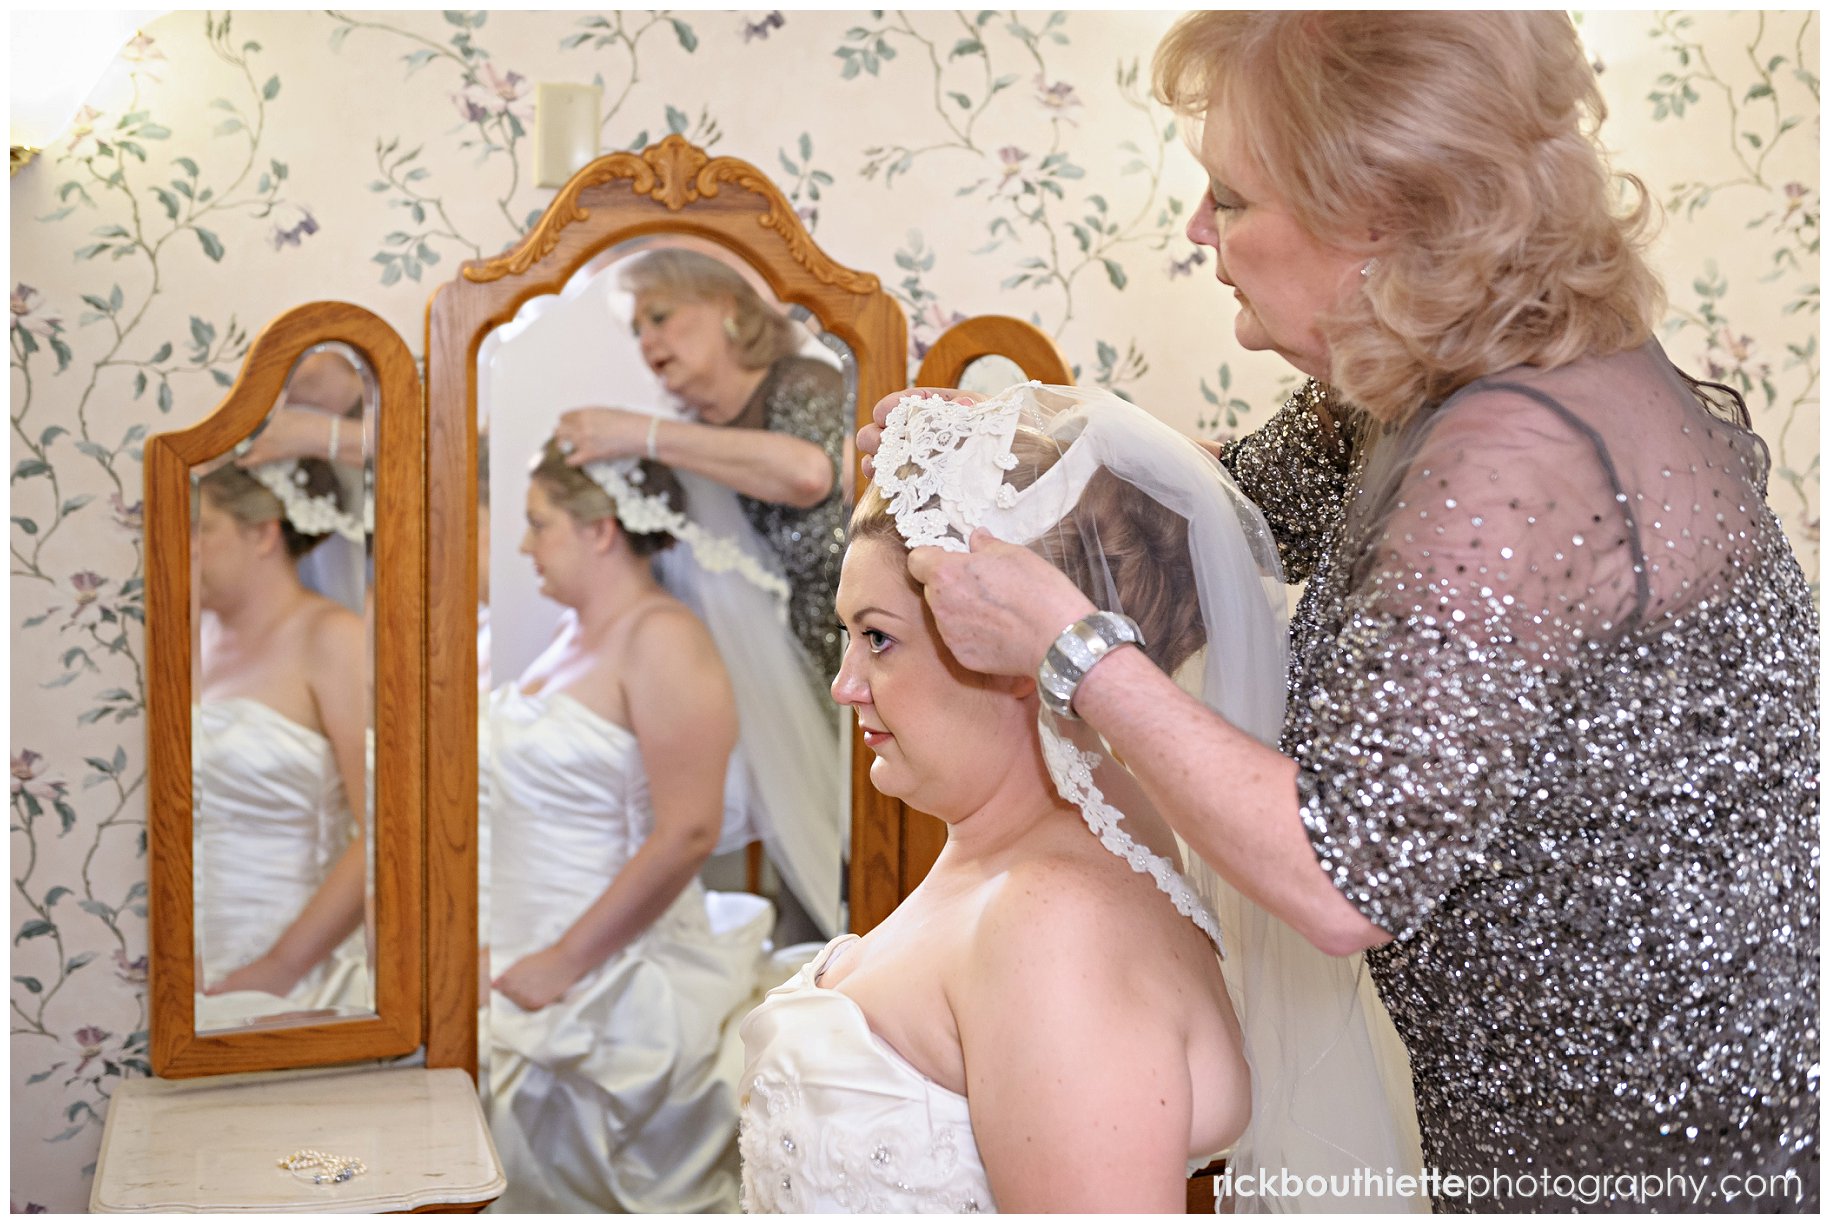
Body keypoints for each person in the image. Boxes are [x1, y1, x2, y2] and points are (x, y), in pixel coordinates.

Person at [861, 11, 1819, 1212]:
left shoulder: (1518, 450)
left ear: (1380, 215)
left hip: (1657, 1149)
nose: (1200, 234)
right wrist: (967, 463)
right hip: (1555, 1116)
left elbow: (1341, 875)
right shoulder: (1429, 395)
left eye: (1232, 199)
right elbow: (1205, 523)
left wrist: (1069, 648)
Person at [740, 384, 1419, 1213]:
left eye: (879, 638)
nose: (847, 686)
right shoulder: (1021, 851)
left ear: (1006, 636)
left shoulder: (1053, 926)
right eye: (847, 636)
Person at [483, 439, 771, 1213]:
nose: (522, 544)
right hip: (520, 938)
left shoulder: (663, 639)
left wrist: (564, 961)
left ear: (601, 530)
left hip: (602, 961)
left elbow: (688, 830)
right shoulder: (568, 640)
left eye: (538, 523)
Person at [551, 247, 848, 685]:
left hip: (842, 653)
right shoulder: (684, 441)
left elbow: (808, 475)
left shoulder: (800, 381)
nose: (646, 342)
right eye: (635, 330)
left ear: (726, 303)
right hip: (752, 676)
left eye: (658, 317)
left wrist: (640, 432)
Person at [192, 460, 370, 1014]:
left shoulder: (335, 639)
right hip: (184, 958)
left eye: (200, 528)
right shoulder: (184, 637)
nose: (181, 546)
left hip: (294, 965)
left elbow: (389, 826)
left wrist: (280, 967)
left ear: (264, 532)